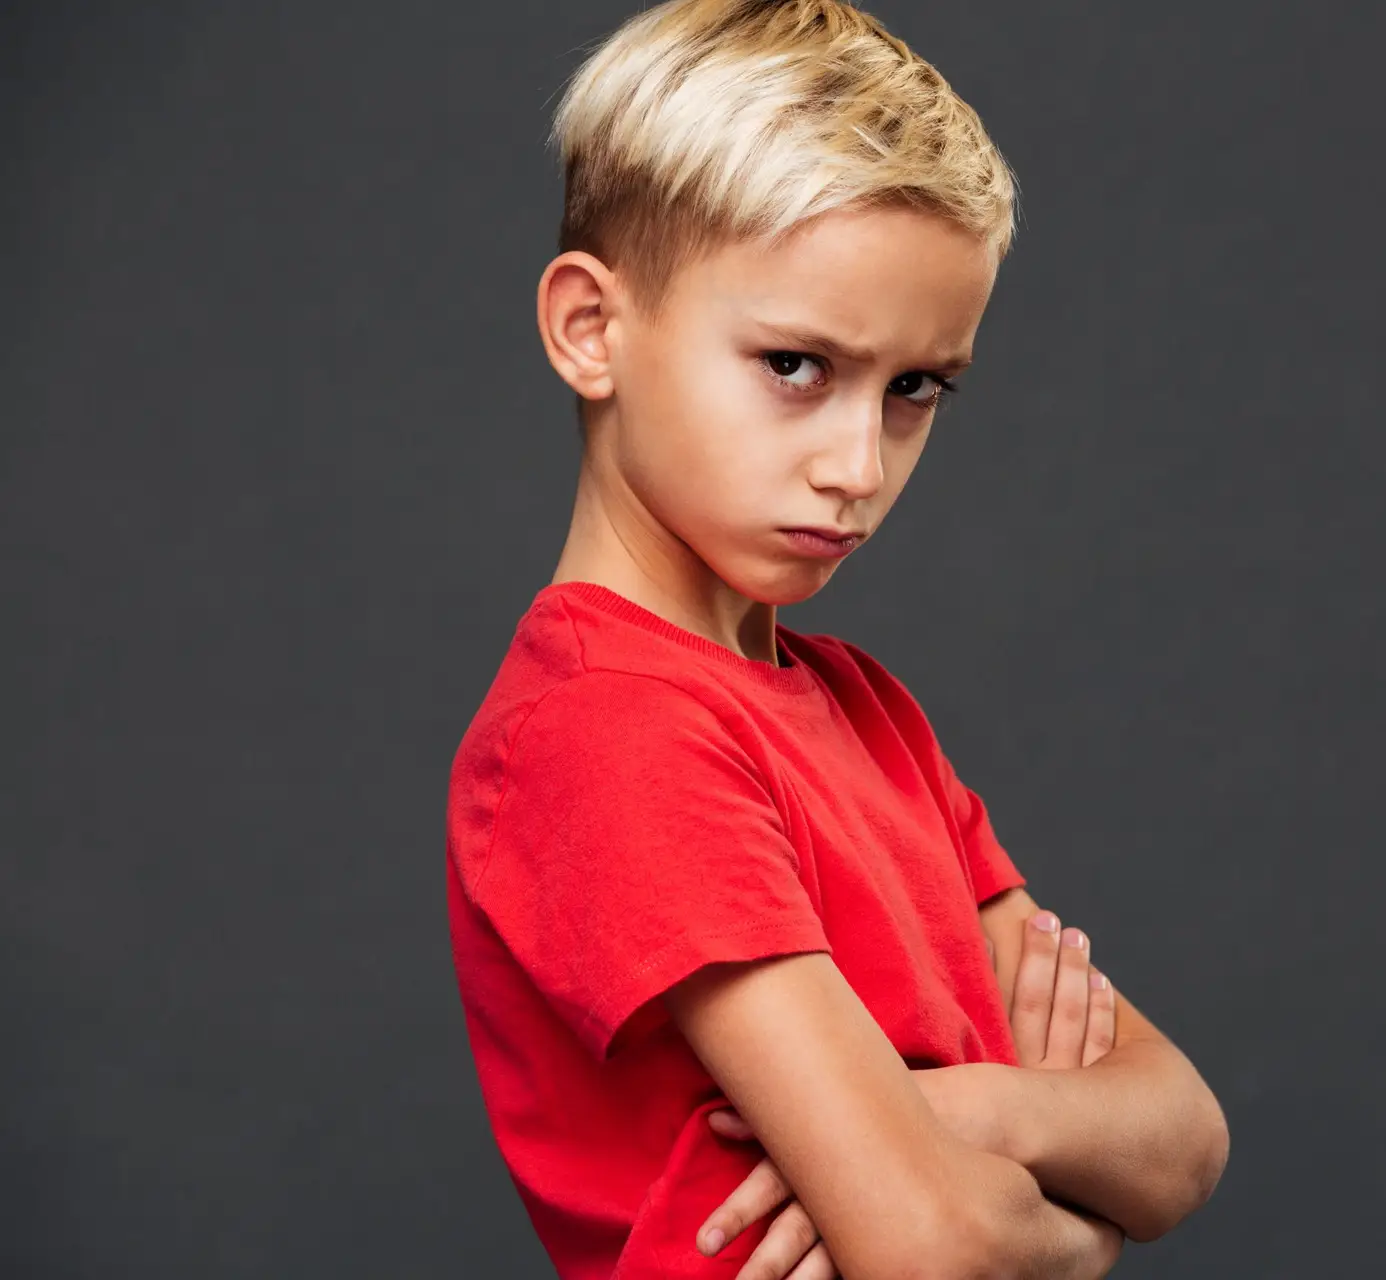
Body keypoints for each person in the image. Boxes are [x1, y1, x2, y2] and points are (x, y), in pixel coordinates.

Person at [443, 2, 1230, 1275]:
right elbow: (938, 1246)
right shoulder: (605, 728)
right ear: (593, 327)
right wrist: (1073, 1225)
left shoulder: (864, 710)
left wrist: (954, 1112)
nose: (859, 466)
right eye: (798, 365)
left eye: (916, 387)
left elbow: (1184, 1133)